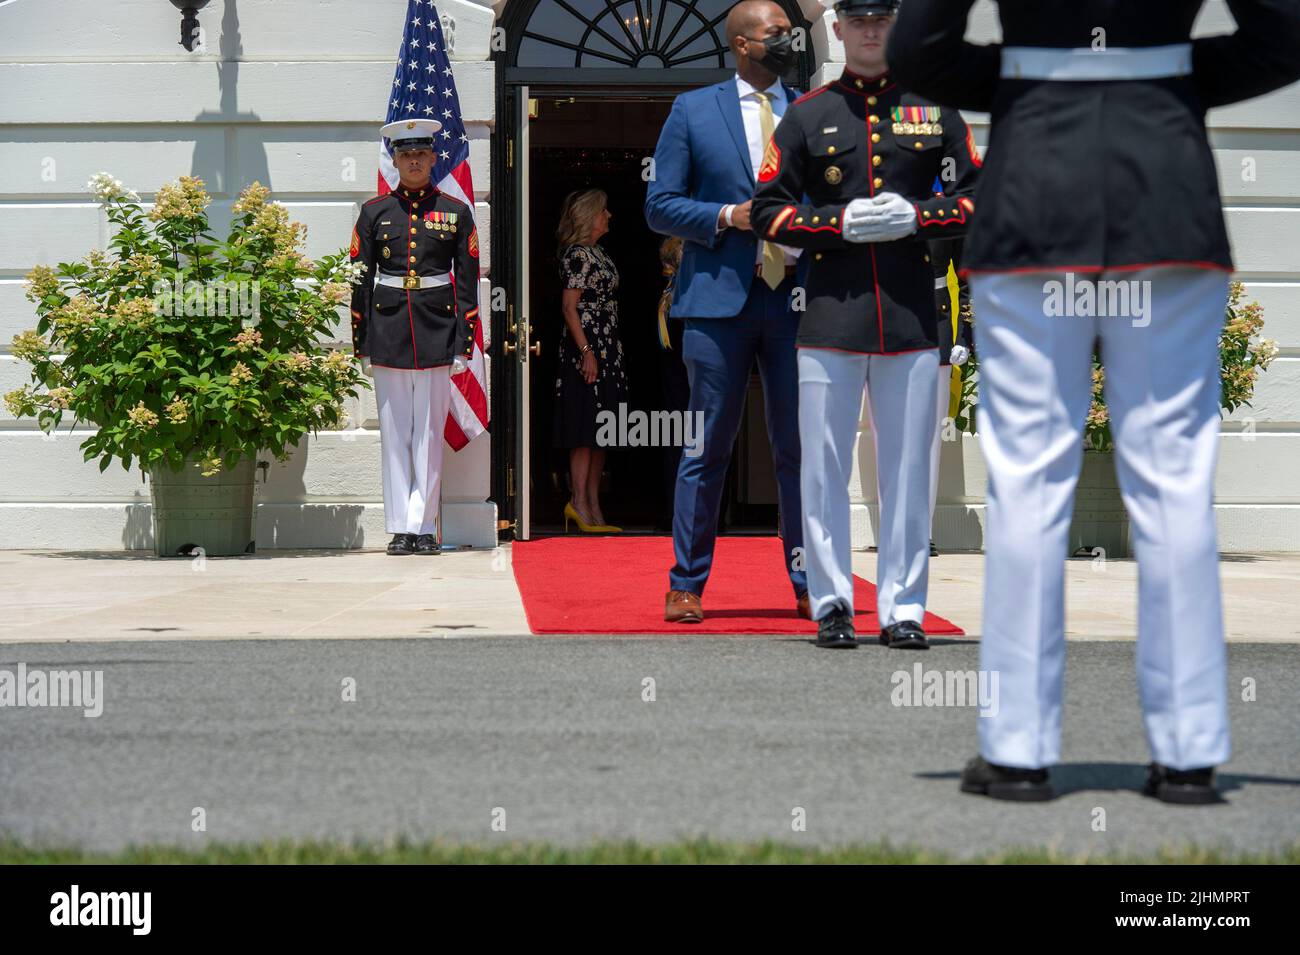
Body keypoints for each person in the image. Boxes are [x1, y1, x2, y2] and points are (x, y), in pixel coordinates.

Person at [888, 0, 1300, 802]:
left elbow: (917, 47)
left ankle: (1016, 751)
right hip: (1165, 180)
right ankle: (1187, 755)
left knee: (1028, 483)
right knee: (1175, 482)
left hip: (1035, 183)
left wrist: (1025, 81)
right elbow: (1282, 34)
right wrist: (1168, 80)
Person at [750, 0, 979, 649]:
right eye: (859, 19)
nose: (871, 30)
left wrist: (919, 217)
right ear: (839, 28)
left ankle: (903, 606)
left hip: (910, 315)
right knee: (821, 466)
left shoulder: (933, 109)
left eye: (883, 19)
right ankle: (830, 601)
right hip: (829, 316)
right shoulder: (806, 115)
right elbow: (766, 206)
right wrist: (834, 225)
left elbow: (976, 195)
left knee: (909, 468)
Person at [645, 0, 810, 624]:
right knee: (706, 447)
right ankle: (686, 584)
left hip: (796, 300)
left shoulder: (812, 110)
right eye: (777, 34)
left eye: (791, 33)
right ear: (743, 44)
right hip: (718, 304)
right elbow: (659, 206)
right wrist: (726, 216)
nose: (788, 42)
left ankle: (808, 580)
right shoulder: (692, 109)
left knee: (797, 450)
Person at [349, 118, 480, 556]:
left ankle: (423, 526)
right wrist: (361, 340)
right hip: (387, 330)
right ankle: (399, 527)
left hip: (436, 331)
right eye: (406, 155)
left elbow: (466, 282)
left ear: (433, 158)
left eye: (421, 154)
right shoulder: (374, 212)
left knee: (426, 432)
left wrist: (464, 342)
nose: (415, 161)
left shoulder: (455, 212)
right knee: (394, 431)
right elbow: (359, 279)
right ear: (396, 161)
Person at [554, 188, 627, 533]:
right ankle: (578, 502)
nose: (609, 216)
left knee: (604, 429)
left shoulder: (600, 253)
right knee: (585, 428)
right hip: (586, 350)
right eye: (604, 211)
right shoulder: (578, 255)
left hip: (608, 347)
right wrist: (587, 353)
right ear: (590, 216)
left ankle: (594, 504)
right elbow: (569, 308)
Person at [927, 226, 972, 556]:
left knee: (930, 438)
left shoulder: (951, 194)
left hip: (935, 322)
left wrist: (963, 336)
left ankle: (920, 529)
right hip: (883, 325)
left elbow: (969, 278)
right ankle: (894, 526)